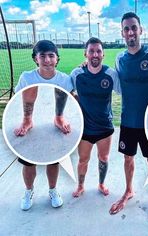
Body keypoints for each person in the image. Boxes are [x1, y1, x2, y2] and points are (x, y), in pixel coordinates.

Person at [109, 12, 148, 223]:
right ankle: (128, 191)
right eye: (126, 29)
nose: (130, 32)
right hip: (128, 120)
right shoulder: (119, 58)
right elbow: (116, 83)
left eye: (133, 27)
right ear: (122, 33)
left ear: (141, 30)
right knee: (128, 158)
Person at [15, 40, 74, 210]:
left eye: (51, 56)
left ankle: (53, 190)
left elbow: (72, 99)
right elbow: (16, 99)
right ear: (35, 58)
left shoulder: (64, 79)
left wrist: (63, 118)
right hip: (33, 118)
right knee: (28, 162)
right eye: (42, 56)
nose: (47, 60)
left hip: (53, 119)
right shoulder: (27, 77)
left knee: (53, 161)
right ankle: (28, 191)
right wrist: (25, 118)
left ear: (57, 59)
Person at [71, 37, 120, 197]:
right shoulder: (77, 74)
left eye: (98, 51)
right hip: (85, 129)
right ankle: (80, 186)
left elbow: (127, 88)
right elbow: (65, 92)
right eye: (91, 51)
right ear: (86, 54)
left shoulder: (110, 74)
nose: (95, 54)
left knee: (103, 158)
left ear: (103, 54)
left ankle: (101, 184)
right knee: (83, 160)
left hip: (104, 127)